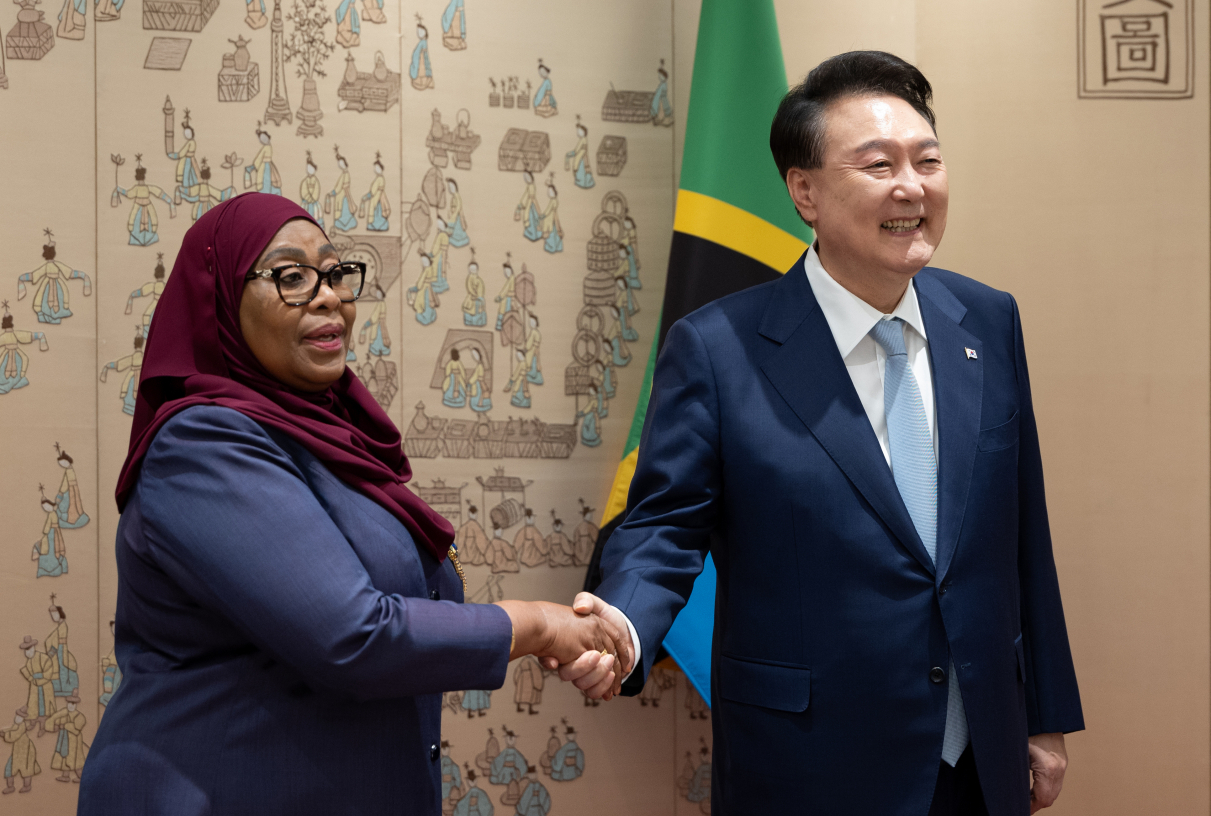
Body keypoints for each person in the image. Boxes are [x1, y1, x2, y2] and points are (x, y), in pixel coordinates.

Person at [568, 52, 1083, 815]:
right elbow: (665, 527)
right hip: (810, 766)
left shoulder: (987, 320)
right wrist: (626, 625)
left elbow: (1021, 538)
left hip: (980, 757)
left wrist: (1043, 715)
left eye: (928, 159)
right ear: (804, 191)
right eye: (878, 164)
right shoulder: (720, 348)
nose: (912, 186)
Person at [77, 194, 624, 815]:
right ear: (221, 301)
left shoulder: (332, 438)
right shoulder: (200, 445)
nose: (328, 294)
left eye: (336, 273)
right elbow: (354, 635)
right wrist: (536, 624)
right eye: (290, 277)